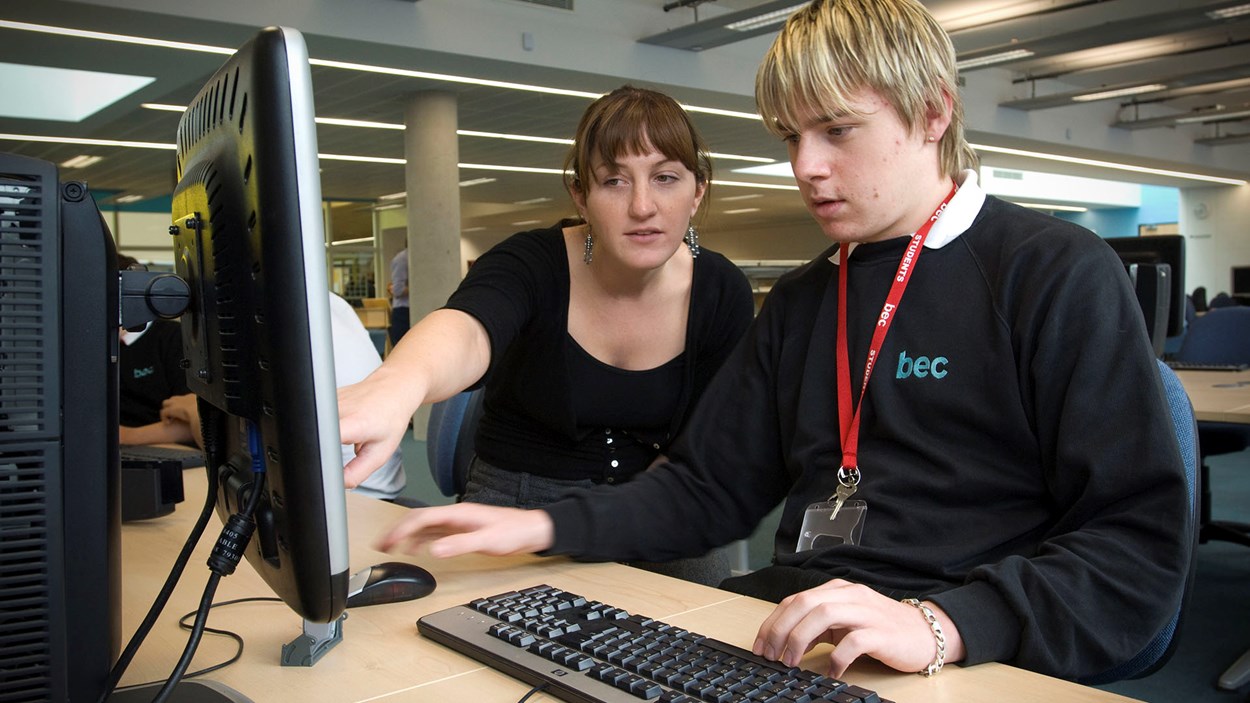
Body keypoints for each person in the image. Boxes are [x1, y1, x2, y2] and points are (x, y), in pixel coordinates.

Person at [368, 0, 1190, 684]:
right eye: (789, 137)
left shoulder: (1051, 274)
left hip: (963, 646)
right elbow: (705, 489)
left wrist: (943, 624)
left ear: (934, 110)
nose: (804, 166)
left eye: (835, 131)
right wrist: (544, 527)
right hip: (794, 626)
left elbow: (1134, 548)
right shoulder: (805, 299)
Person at [338, 86, 755, 583]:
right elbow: (468, 330)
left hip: (655, 502)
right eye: (614, 182)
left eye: (665, 178)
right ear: (581, 195)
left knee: (705, 641)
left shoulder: (720, 289)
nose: (643, 205)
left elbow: (703, 444)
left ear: (697, 192)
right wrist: (397, 386)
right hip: (514, 504)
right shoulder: (530, 263)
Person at [161, 292, 407, 501]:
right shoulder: (319, 299)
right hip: (361, 485)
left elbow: (226, 447)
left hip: (348, 496)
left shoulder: (262, 312)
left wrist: (188, 411)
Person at [116, 253, 196, 447]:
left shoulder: (172, 339)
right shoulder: (87, 350)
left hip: (168, 449)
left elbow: (192, 422)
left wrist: (124, 437)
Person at [388, 247, 410, 347]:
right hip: (403, 311)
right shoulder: (403, 259)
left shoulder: (405, 258)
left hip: (406, 310)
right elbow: (398, 290)